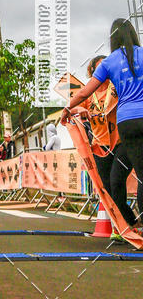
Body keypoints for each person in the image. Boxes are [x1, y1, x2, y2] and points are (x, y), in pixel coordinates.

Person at [61, 19, 143, 234]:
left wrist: (67, 108)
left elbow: (83, 92)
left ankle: (134, 225)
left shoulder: (110, 63)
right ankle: (134, 224)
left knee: (126, 177)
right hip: (130, 125)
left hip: (126, 126)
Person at [71, 55, 134, 233]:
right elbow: (71, 108)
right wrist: (79, 109)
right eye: (100, 69)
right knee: (107, 190)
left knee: (116, 183)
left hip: (121, 143)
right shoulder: (87, 93)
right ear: (92, 72)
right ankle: (121, 228)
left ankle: (132, 224)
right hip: (99, 146)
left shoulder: (118, 87)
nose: (105, 72)